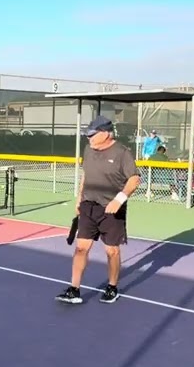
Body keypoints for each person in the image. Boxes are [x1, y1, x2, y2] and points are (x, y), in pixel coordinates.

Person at [56, 115, 140, 305]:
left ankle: (112, 287)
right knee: (80, 248)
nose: (89, 138)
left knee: (112, 251)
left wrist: (119, 200)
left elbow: (134, 179)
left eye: (92, 135)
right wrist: (79, 197)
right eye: (88, 135)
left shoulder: (122, 153)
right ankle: (74, 289)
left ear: (106, 134)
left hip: (111, 210)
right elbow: (86, 174)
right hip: (88, 206)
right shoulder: (88, 150)